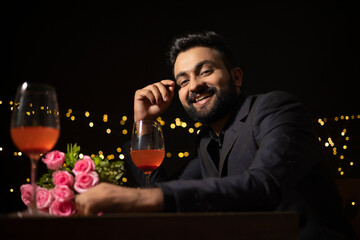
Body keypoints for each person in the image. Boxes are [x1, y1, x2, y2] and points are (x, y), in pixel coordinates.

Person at [75, 31, 356, 239]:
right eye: (183, 80)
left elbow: (263, 187)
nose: (194, 85)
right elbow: (164, 193)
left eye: (205, 71)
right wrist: (143, 124)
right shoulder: (208, 141)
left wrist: (136, 200)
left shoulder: (275, 108)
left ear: (235, 77)